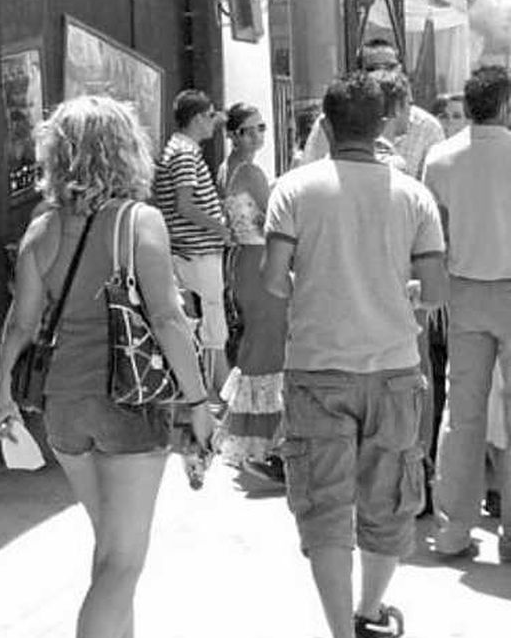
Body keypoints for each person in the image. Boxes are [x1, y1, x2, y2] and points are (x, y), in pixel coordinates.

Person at [0, 95, 212, 638]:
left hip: (63, 406)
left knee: (110, 548)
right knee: (122, 557)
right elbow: (168, 319)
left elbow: (21, 324)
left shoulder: (40, 227)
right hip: (128, 401)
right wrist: (198, 402)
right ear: (125, 150)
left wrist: (5, 394)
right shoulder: (139, 221)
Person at [262, 72, 448, 638]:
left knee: (324, 509)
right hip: (393, 369)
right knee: (390, 498)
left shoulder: (293, 190)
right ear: (385, 126)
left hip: (316, 369)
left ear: (326, 126)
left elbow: (274, 281)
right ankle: (370, 609)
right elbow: (437, 292)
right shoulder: (413, 196)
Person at [420, 64, 511, 563]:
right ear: (504, 105)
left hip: (465, 292)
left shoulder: (440, 157)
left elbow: (434, 236)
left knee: (462, 413)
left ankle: (453, 530)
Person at [215, 103, 286, 482]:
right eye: (252, 128)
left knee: (259, 348)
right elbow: (270, 220)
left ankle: (257, 441)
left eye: (262, 127)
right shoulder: (251, 171)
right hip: (259, 261)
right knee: (268, 350)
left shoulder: (228, 168)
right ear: (237, 134)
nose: (260, 134)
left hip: (243, 261)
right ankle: (264, 445)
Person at [152, 89, 230, 398]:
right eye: (211, 115)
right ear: (197, 118)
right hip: (196, 254)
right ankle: (220, 393)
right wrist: (220, 226)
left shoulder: (178, 149)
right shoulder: (185, 154)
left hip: (187, 251)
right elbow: (185, 204)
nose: (214, 123)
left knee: (205, 324)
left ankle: (216, 392)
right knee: (212, 326)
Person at [300, 38, 445, 177]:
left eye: (390, 67)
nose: (383, 73)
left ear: (400, 69)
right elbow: (308, 172)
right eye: (373, 68)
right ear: (360, 73)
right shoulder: (335, 120)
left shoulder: (428, 127)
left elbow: (437, 184)